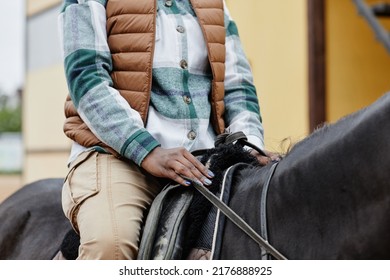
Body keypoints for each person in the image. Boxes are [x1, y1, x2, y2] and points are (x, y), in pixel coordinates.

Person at [59, 0, 270, 260]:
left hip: (203, 164)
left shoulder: (216, 5)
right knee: (111, 245)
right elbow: (86, 78)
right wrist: (149, 151)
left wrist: (248, 147)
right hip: (116, 155)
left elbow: (239, 88)